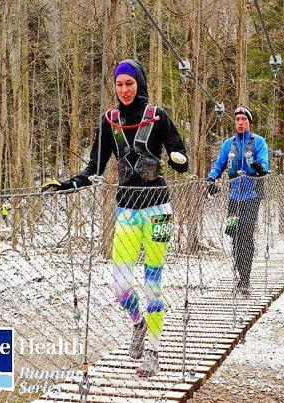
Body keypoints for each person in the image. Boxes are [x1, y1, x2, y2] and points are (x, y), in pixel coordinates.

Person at [41, 59, 188, 377]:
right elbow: (94, 166)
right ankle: (139, 323)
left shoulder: (158, 116)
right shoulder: (109, 121)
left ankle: (154, 350)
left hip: (159, 209)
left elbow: (180, 154)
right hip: (128, 212)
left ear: (139, 84)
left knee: (152, 283)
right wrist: (68, 184)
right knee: (121, 286)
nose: (124, 90)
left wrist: (179, 159)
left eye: (129, 83)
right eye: (119, 84)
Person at [206, 106, 269, 294]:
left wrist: (259, 166)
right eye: (237, 119)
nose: (240, 122)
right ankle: (239, 272)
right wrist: (211, 178)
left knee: (246, 234)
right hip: (234, 197)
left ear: (249, 122)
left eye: (244, 119)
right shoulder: (228, 144)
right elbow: (219, 165)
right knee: (234, 234)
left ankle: (245, 278)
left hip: (251, 196)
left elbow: (265, 166)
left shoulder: (258, 142)